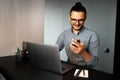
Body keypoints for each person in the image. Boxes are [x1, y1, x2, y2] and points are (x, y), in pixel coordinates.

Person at [56, 2, 100, 68]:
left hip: (85, 68)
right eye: (74, 19)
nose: (77, 23)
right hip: (69, 66)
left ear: (85, 18)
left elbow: (94, 63)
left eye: (81, 20)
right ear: (69, 18)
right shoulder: (65, 33)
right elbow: (54, 50)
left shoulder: (93, 35)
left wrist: (83, 53)